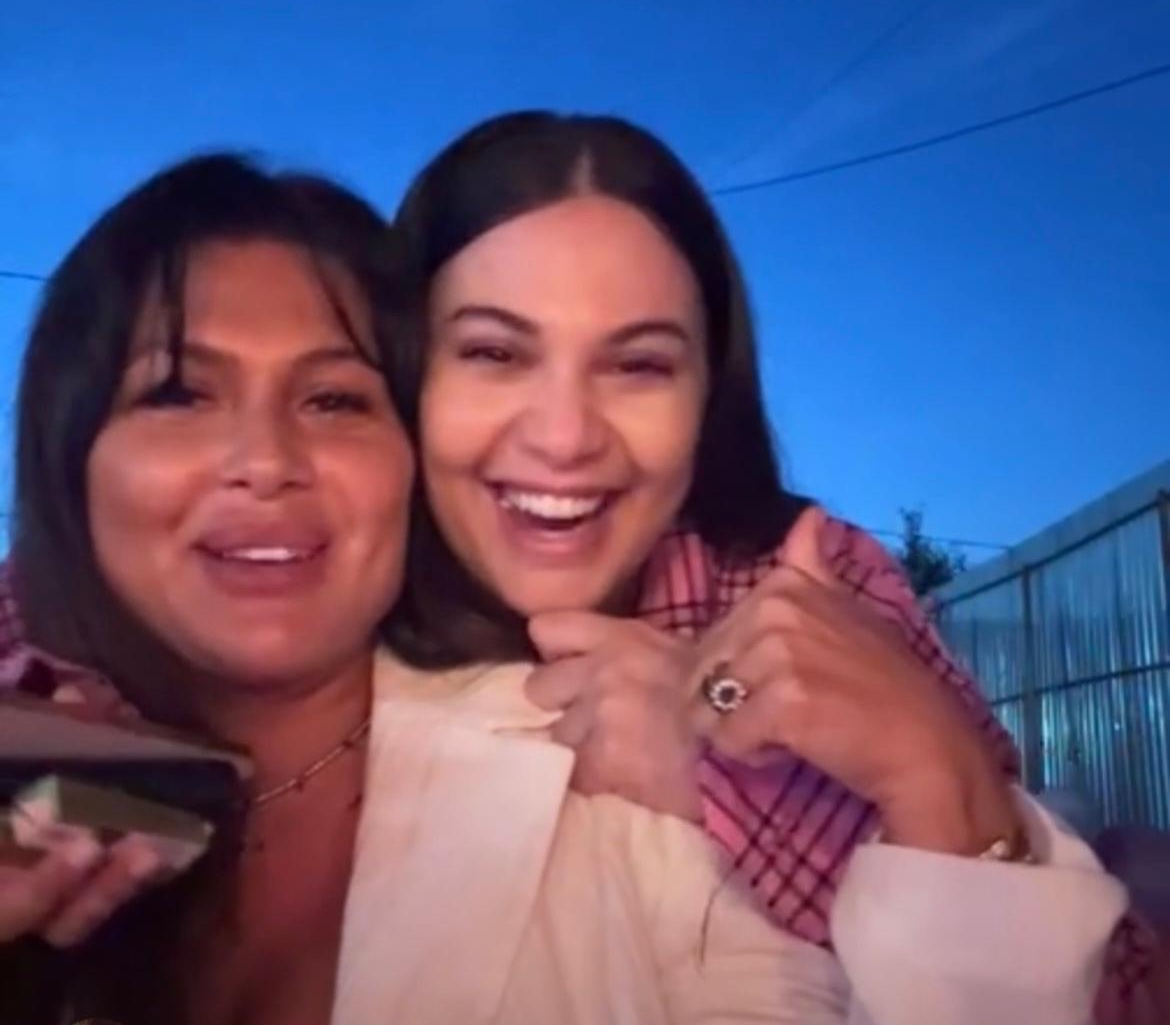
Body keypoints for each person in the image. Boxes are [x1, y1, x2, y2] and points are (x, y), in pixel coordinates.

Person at [8, 152, 1122, 1025]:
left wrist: (935, 782)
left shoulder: (670, 725)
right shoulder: (45, 725)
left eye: (335, 399)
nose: (264, 461)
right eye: (178, 394)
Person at [384, 108, 1156, 1020]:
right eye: (494, 353)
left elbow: (1127, 997)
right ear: (406, 370)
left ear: (708, 394)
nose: (564, 436)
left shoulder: (819, 587)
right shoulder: (319, 624)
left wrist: (910, 773)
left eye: (638, 366)